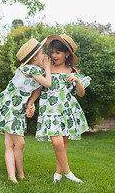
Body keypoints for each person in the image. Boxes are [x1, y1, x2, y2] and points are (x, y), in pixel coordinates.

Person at [0, 38, 51, 183]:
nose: (45, 56)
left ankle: (14, 176)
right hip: (11, 108)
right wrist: (48, 68)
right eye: (43, 52)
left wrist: (31, 103)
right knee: (20, 143)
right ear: (35, 57)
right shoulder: (30, 69)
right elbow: (47, 84)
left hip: (16, 109)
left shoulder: (30, 70)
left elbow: (37, 88)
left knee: (10, 144)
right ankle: (18, 175)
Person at [26, 34, 91, 183]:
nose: (54, 55)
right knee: (56, 142)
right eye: (52, 52)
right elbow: (38, 88)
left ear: (66, 54)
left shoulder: (72, 71)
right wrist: (31, 102)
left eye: (58, 52)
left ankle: (58, 174)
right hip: (49, 110)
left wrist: (77, 81)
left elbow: (81, 94)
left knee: (63, 143)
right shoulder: (46, 69)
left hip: (66, 110)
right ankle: (69, 173)